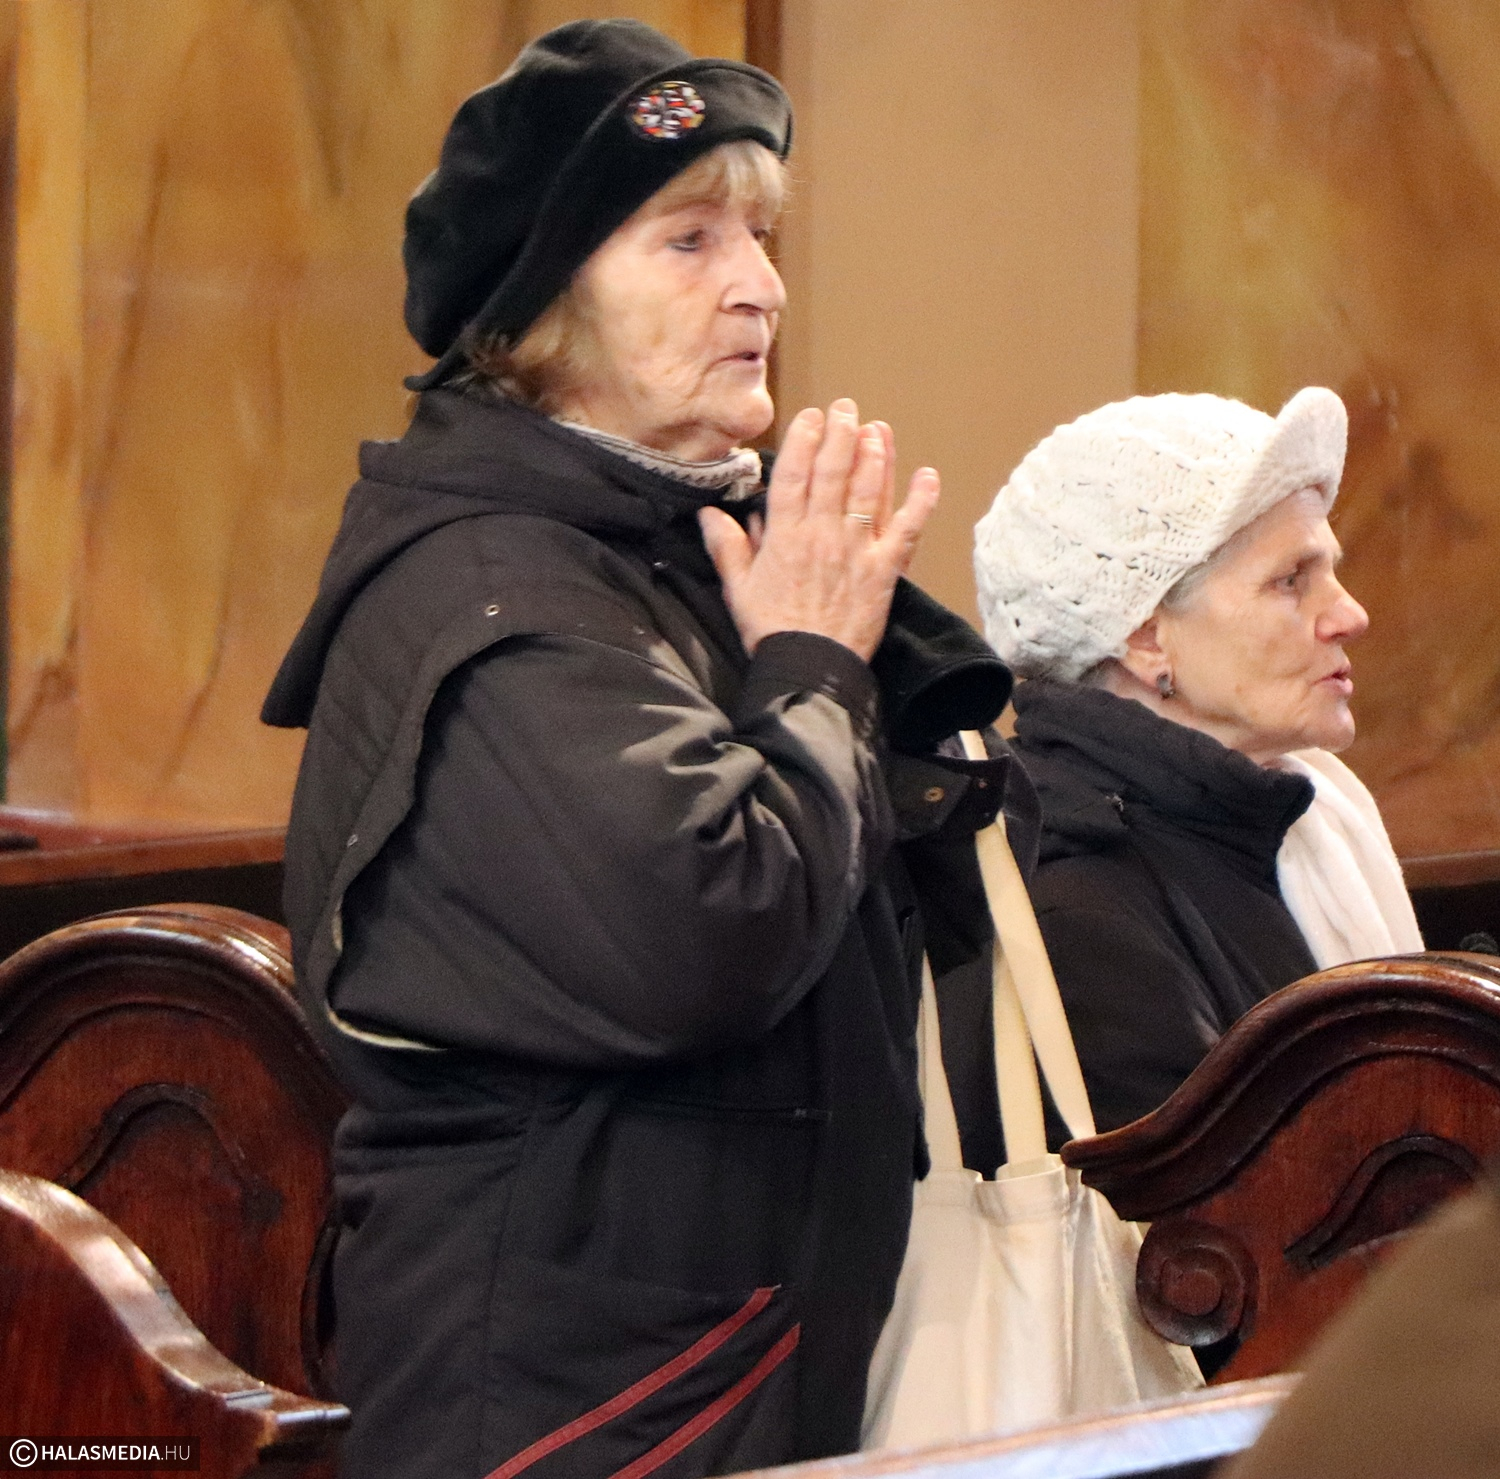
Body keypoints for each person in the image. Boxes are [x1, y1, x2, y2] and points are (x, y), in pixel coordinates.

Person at [262, 20, 1019, 1479]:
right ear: (545, 307)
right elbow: (711, 926)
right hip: (584, 1397)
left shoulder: (681, 545)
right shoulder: (491, 589)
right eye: (688, 240)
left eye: (761, 237)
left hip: (739, 1345)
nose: (761, 286)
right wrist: (815, 657)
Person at [970, 388, 1424, 1135]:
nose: (1350, 614)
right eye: (1291, 579)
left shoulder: (1302, 818)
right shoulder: (1079, 907)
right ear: (1146, 639)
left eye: (1330, 572)